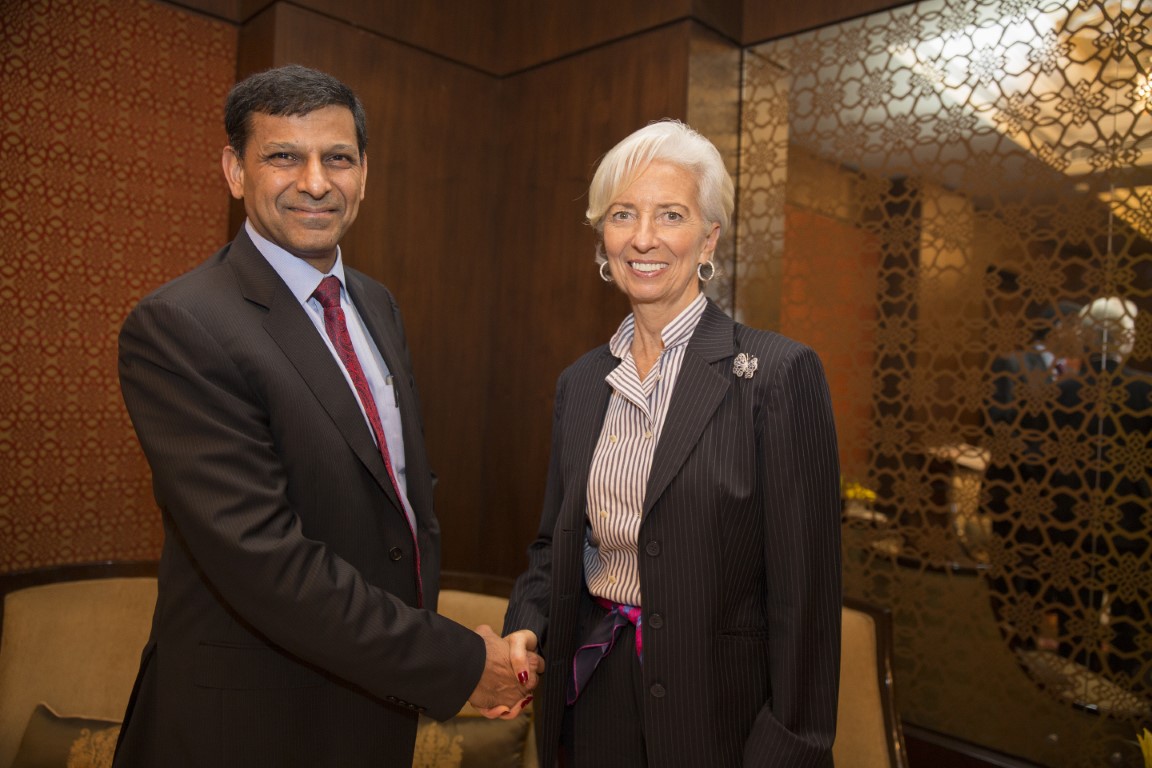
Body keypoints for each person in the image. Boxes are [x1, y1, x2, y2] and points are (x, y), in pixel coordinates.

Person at [114, 65, 539, 768]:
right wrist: (458, 661)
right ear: (234, 170)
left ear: (364, 173)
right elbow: (265, 562)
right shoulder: (180, 325)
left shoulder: (375, 303)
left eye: (337, 158)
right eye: (284, 156)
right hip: (249, 724)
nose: (315, 182)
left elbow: (396, 499)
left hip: (372, 708)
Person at [500, 120, 843, 767]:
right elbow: (554, 546)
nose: (644, 237)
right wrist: (527, 624)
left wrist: (789, 748)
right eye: (623, 214)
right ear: (603, 236)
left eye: (671, 214)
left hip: (723, 717)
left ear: (708, 237)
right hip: (594, 692)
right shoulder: (582, 382)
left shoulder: (778, 374)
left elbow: (807, 599)